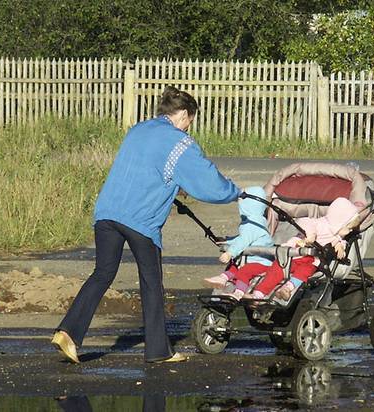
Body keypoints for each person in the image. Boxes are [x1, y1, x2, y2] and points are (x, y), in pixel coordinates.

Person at [51, 86, 241, 364]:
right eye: (191, 121)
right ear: (185, 115)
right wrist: (235, 192)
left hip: (107, 212)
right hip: (141, 221)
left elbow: (144, 170)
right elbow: (207, 182)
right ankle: (158, 351)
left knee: (102, 273)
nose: (190, 127)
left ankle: (68, 331)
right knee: (152, 283)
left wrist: (173, 187)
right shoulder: (180, 142)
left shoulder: (138, 130)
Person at [244, 197, 362, 301]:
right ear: (339, 221)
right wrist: (311, 234)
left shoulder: (338, 236)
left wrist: (340, 245)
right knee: (276, 271)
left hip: (310, 260)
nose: (350, 231)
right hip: (293, 255)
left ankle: (288, 288)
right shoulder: (320, 223)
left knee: (306, 271)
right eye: (348, 227)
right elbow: (304, 221)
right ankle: (258, 294)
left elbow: (339, 240)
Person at [203, 186, 274, 300]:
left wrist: (230, 253)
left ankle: (239, 293)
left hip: (262, 263)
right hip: (250, 260)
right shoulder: (251, 222)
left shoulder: (254, 224)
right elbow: (243, 238)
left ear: (249, 205)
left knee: (243, 271)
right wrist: (227, 240)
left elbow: (243, 241)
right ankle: (223, 278)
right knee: (234, 265)